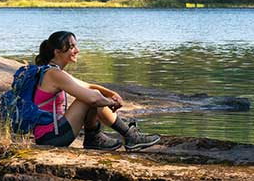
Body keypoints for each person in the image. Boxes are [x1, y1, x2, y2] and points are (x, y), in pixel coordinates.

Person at [31, 30, 161, 151]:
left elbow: (88, 86)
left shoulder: (51, 70)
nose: (77, 50)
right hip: (51, 138)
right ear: (57, 52)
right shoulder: (54, 74)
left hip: (51, 134)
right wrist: (110, 102)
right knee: (90, 99)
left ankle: (95, 138)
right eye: (72, 47)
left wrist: (111, 94)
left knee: (93, 95)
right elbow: (92, 98)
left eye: (76, 46)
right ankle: (128, 136)